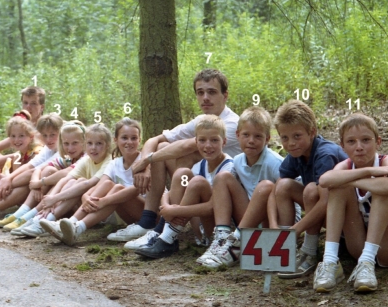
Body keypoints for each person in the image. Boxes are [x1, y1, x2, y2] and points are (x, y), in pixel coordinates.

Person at [108, 69, 242, 247]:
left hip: (222, 196)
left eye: (211, 92)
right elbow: (155, 139)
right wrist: (145, 166)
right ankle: (148, 222)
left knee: (178, 153)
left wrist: (148, 160)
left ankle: (162, 230)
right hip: (196, 185)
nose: (205, 98)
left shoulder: (231, 123)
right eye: (200, 92)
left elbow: (187, 145)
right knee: (163, 148)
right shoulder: (202, 120)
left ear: (225, 95)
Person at [313, 113, 388, 293]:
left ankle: (367, 263)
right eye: (351, 142)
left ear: (377, 142)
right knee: (338, 187)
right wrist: (368, 172)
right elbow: (325, 180)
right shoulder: (345, 165)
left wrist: (351, 180)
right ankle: (329, 262)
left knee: (383, 189)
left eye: (366, 140)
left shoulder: (386, 161)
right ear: (342, 146)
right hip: (359, 242)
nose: (359, 147)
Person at [267, 100, 348, 279]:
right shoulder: (296, 154)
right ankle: (288, 249)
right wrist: (275, 227)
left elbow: (326, 201)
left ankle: (309, 251)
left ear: (312, 132)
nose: (291, 143)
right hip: (325, 211)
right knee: (284, 185)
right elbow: (277, 189)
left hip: (347, 217)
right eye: (285, 138)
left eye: (297, 136)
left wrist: (296, 230)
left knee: (311, 190)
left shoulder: (325, 154)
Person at [195, 107, 284, 267]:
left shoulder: (275, 163)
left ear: (267, 139)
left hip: (272, 222)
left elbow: (289, 197)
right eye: (246, 135)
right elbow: (225, 193)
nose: (251, 140)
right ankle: (221, 239)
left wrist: (280, 228)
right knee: (222, 177)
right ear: (237, 135)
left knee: (265, 187)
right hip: (248, 218)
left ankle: (234, 247)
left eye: (258, 136)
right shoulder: (237, 161)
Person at [135, 115, 234, 258]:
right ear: (196, 141)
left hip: (214, 228)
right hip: (197, 225)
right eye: (202, 140)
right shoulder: (201, 165)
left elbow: (213, 207)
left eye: (214, 140)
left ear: (224, 142)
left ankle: (167, 238)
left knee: (197, 182)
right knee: (183, 174)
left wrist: (177, 210)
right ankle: (168, 236)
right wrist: (167, 207)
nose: (208, 145)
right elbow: (169, 194)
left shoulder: (228, 167)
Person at [41, 118, 144, 245]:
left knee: (117, 189)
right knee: (108, 184)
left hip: (145, 213)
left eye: (134, 138)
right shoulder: (114, 163)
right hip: (126, 213)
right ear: (116, 140)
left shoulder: (143, 160)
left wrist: (104, 201)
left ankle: (78, 227)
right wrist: (85, 197)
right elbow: (100, 185)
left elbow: (135, 190)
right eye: (124, 138)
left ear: (139, 140)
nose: (129, 142)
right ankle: (74, 223)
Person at [16, 124, 113, 237]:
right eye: (90, 143)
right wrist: (50, 200)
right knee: (72, 181)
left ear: (107, 145)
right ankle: (40, 218)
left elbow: (89, 183)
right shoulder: (87, 159)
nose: (93, 148)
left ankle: (45, 221)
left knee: (81, 182)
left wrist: (55, 198)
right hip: (84, 205)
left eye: (99, 143)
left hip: (101, 209)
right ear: (85, 144)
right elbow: (65, 179)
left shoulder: (109, 161)